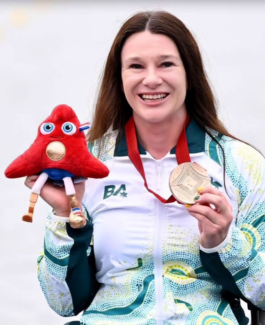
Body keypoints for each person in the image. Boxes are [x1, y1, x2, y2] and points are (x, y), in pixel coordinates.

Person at [25, 10, 265, 325]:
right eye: (136, 66)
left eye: (166, 64)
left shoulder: (240, 164)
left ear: (189, 73)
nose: (151, 79)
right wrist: (64, 218)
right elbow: (63, 303)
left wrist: (222, 241)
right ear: (119, 77)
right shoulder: (89, 164)